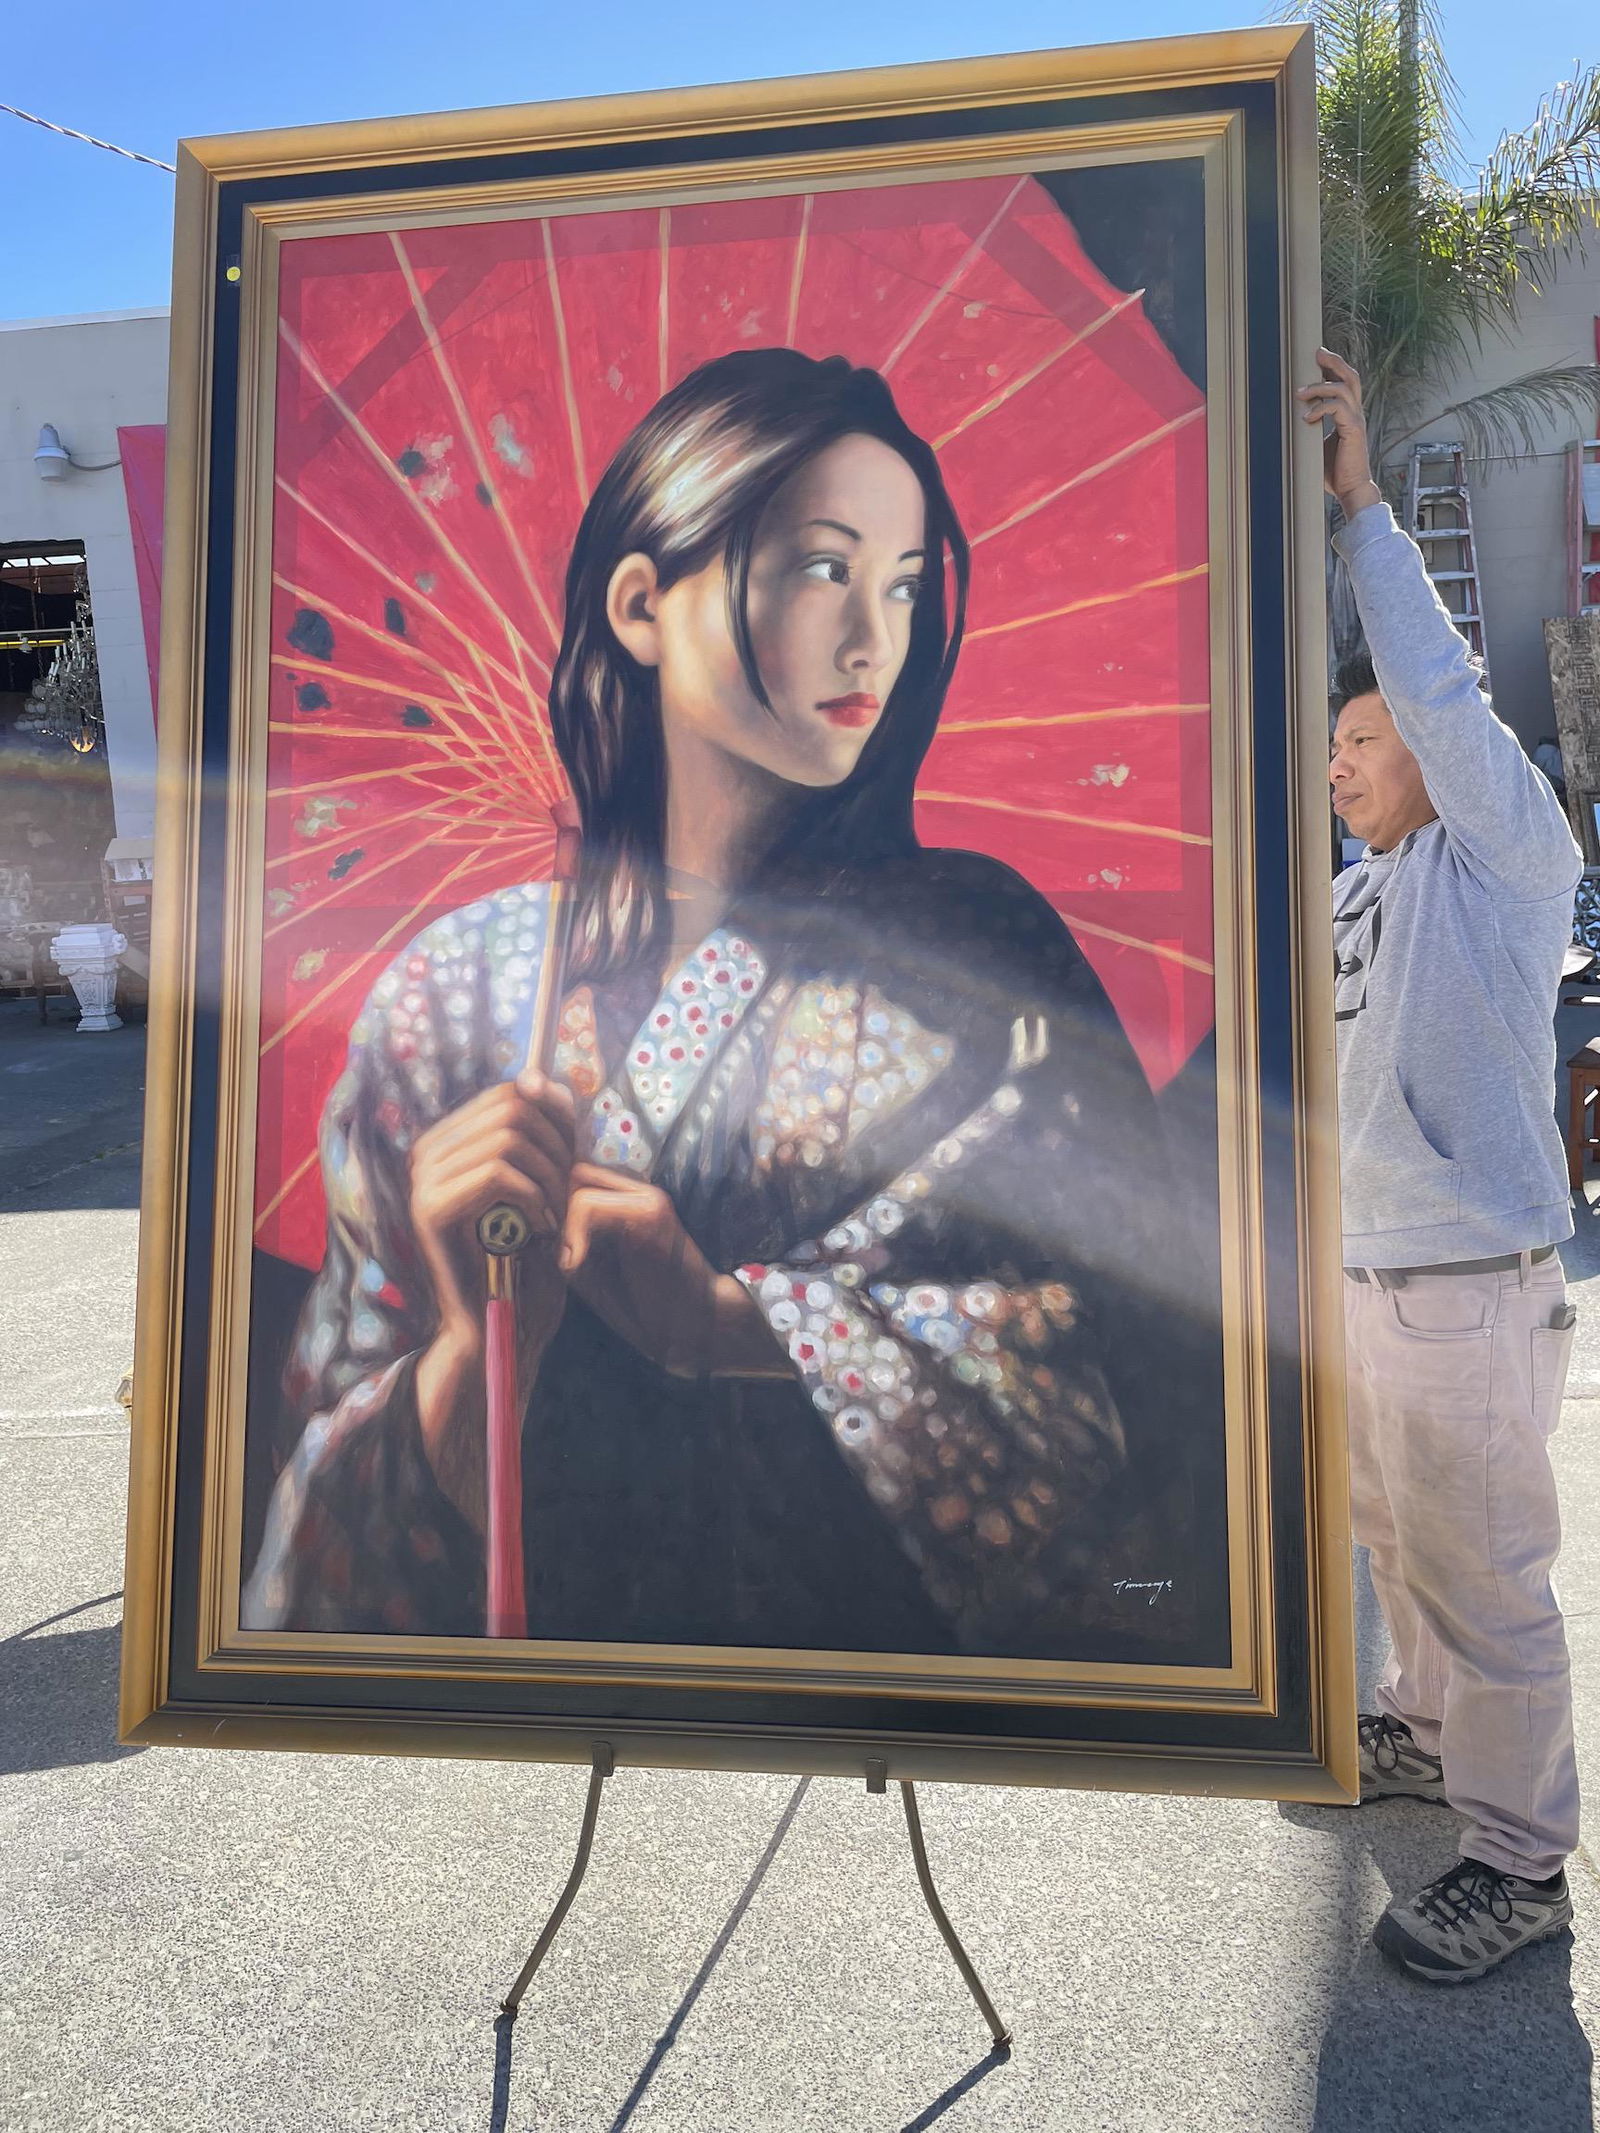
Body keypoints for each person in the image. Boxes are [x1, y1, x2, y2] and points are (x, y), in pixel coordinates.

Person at [244, 347, 1212, 1662]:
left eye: (903, 584)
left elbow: (1107, 1351)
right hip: (578, 1650)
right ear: (642, 603)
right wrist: (478, 1349)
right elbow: (318, 1511)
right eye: (821, 567)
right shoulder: (458, 989)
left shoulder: (976, 940)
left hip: (875, 1658)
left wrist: (723, 1322)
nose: (874, 638)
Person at [1300, 348, 1583, 1983]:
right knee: (1400, 1551)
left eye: (1366, 736)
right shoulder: (1354, 892)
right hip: (1362, 1282)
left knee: (1487, 1585)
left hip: (1471, 1291)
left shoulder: (1505, 852)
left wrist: (1360, 515)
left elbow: (1446, 693)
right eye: (1334, 742)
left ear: (1429, 741)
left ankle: (1522, 1862)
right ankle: (1418, 1734)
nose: (1342, 762)